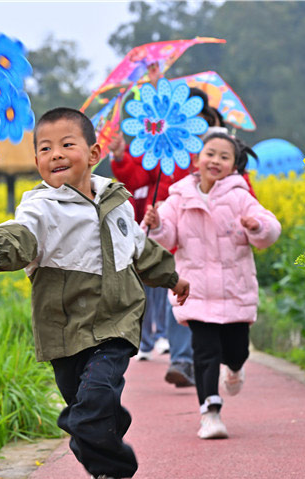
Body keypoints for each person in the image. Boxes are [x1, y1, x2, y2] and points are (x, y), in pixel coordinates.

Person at [0, 107, 190, 479]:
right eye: (44, 148)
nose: (55, 154)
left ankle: (108, 478)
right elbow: (19, 236)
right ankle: (105, 444)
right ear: (37, 161)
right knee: (86, 410)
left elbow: (140, 250)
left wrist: (173, 278)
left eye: (66, 144)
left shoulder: (118, 202)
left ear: (93, 153)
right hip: (63, 331)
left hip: (116, 322)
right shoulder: (41, 207)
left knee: (94, 400)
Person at [142, 132, 281, 439]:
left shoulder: (240, 196)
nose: (215, 161)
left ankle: (234, 368)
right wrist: (156, 224)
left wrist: (257, 226)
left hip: (234, 293)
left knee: (236, 351)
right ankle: (210, 414)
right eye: (210, 154)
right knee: (204, 352)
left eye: (224, 156)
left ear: (234, 166)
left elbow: (270, 229)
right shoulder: (178, 197)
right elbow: (165, 239)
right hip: (196, 292)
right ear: (196, 159)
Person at [108, 87, 221, 385]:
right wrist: (119, 155)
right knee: (179, 286)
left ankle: (204, 356)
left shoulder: (215, 150)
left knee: (200, 293)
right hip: (166, 228)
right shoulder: (164, 146)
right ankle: (181, 360)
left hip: (206, 231)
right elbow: (136, 178)